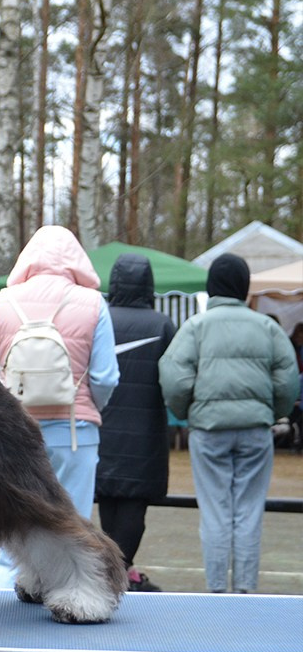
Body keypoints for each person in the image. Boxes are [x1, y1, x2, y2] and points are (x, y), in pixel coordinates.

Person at [0, 225, 119, 652]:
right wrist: (88, 409)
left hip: (11, 435)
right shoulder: (93, 304)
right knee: (71, 537)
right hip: (74, 433)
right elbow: (106, 377)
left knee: (10, 541)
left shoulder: (3, 301)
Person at [159, 253, 299, 595]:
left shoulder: (195, 327)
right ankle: (245, 590)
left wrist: (189, 412)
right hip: (255, 430)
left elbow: (174, 378)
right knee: (249, 512)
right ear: (244, 287)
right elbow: (287, 380)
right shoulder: (267, 327)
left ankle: (218, 590)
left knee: (215, 511)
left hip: (208, 431)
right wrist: (272, 412)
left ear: (212, 287)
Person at [95, 253, 176, 593]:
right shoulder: (162, 325)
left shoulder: (99, 319)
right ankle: (118, 573)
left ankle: (112, 573)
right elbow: (173, 379)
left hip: (102, 428)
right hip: (144, 434)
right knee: (133, 508)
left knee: (108, 501)